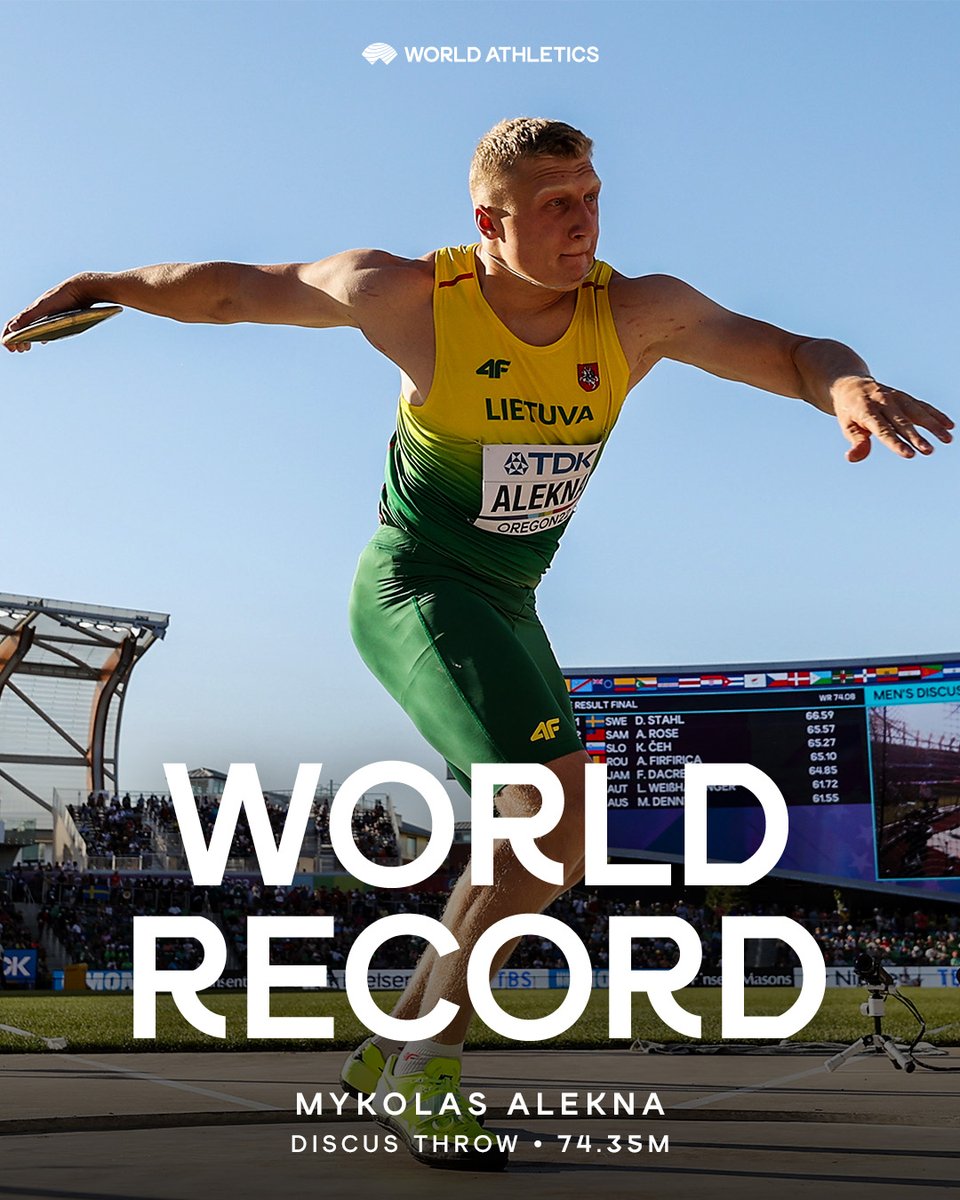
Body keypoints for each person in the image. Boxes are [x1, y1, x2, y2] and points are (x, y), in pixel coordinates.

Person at [4, 118, 952, 1170]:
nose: (585, 222)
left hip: (509, 603)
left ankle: (396, 1043)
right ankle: (427, 1071)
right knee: (559, 817)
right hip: (416, 588)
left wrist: (844, 386)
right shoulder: (408, 297)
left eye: (591, 196)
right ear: (489, 221)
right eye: (556, 204)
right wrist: (108, 283)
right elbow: (233, 290)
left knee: (527, 840)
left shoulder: (638, 314)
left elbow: (791, 351)